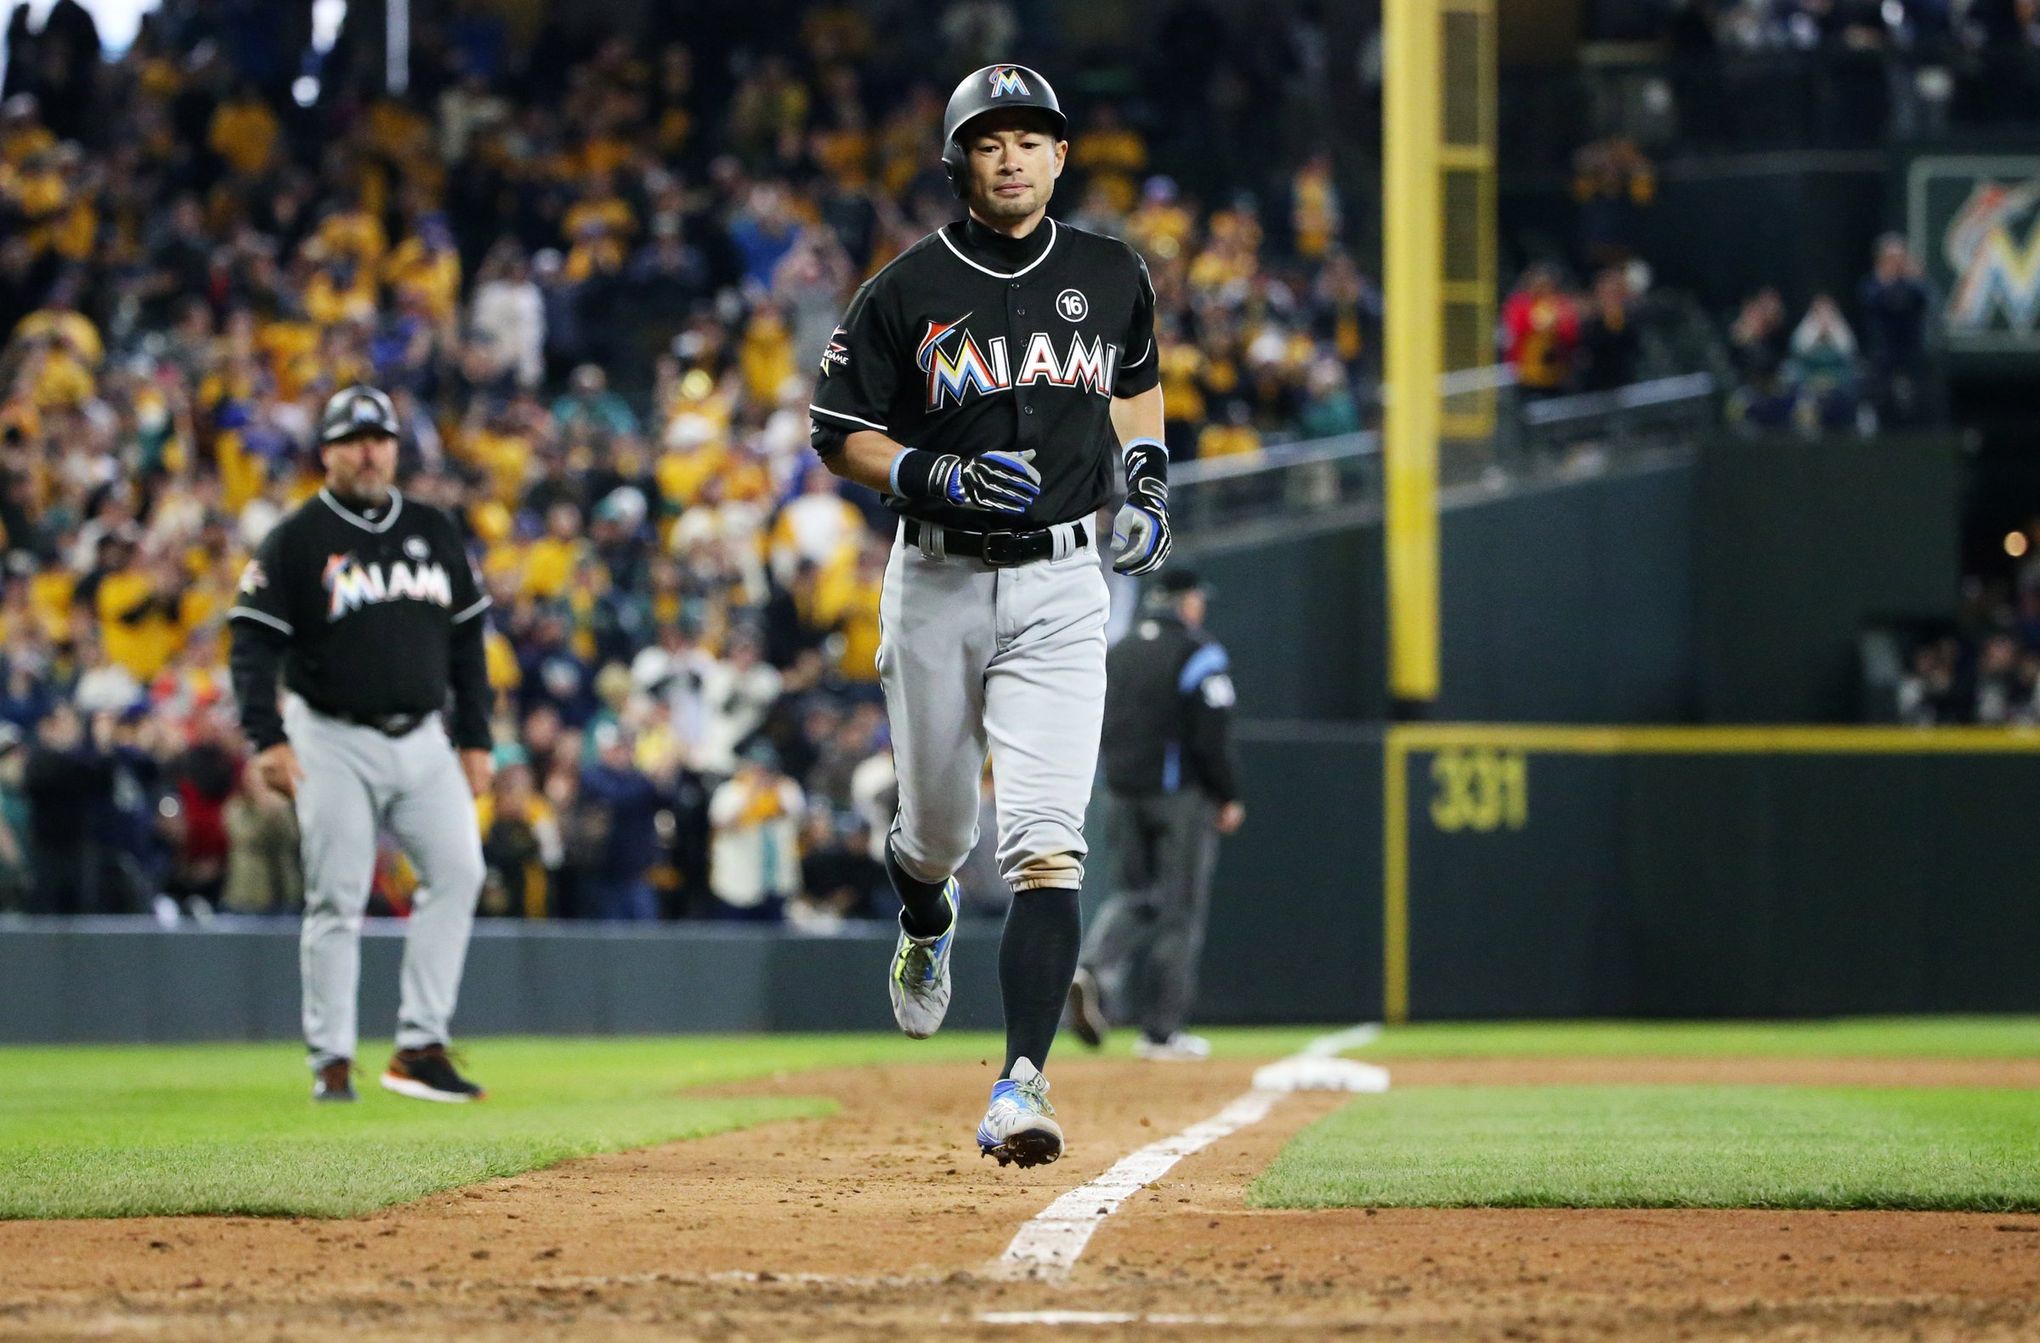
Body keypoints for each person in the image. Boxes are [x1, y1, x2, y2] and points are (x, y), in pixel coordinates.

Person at [807, 63, 1168, 1168]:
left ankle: (1021, 1082)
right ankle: (925, 919)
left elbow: (1137, 381)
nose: (1011, 156)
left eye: (1031, 138)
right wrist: (929, 471)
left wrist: (1146, 476)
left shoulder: (1112, 273)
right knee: (938, 835)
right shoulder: (907, 287)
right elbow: (836, 427)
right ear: (960, 160)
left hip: (1063, 586)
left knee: (1049, 845)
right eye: (990, 139)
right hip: (938, 581)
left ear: (1061, 156)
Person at [227, 386, 495, 1105]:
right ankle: (332, 1060)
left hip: (424, 735)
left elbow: (468, 640)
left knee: (460, 871)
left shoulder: (435, 528)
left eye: (380, 437)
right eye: (353, 439)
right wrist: (267, 736)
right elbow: (251, 642)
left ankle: (419, 1047)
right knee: (337, 896)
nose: (370, 450)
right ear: (328, 452)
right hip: (330, 735)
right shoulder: (298, 536)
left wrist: (476, 735)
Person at [1067, 569, 1242, 1060]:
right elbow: (1212, 733)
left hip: (1121, 792)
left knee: (1135, 895)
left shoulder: (1119, 650)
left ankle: (1094, 969)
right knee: (1179, 909)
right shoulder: (1197, 651)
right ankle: (1162, 1031)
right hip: (1179, 795)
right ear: (1185, 603)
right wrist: (1227, 794)